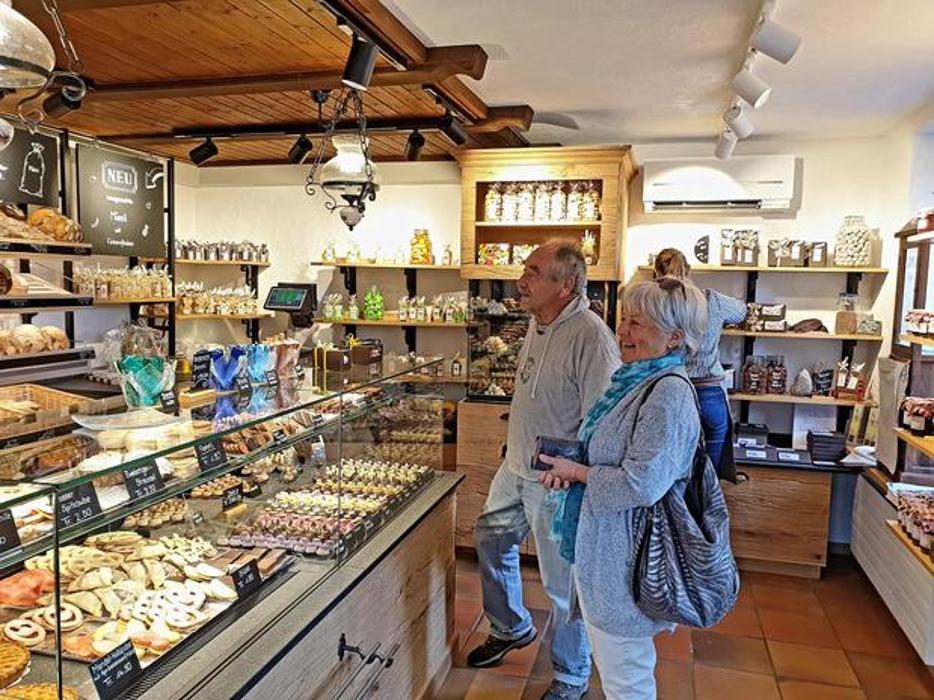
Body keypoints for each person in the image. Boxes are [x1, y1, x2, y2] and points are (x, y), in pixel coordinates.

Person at [537, 276, 707, 700]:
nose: (623, 332)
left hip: (625, 561)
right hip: (605, 554)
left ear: (674, 337)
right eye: (624, 320)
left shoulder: (668, 393)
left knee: (626, 679)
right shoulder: (634, 382)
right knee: (616, 670)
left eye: (637, 324)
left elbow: (642, 482)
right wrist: (574, 464)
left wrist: (577, 474)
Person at [467, 240, 620, 700]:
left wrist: (575, 469)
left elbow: (603, 420)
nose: (522, 279)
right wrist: (515, 439)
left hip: (558, 484)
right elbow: (535, 396)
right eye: (524, 269)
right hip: (514, 470)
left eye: (534, 271)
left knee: (562, 587)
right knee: (490, 540)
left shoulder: (592, 338)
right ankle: (511, 626)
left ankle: (571, 677)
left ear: (566, 284)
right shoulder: (536, 324)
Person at [653, 248, 745, 480]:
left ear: (655, 272)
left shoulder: (656, 304)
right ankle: (704, 506)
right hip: (710, 392)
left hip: (672, 389)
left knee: (674, 459)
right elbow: (741, 312)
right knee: (708, 474)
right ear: (690, 270)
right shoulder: (712, 300)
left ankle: (676, 509)